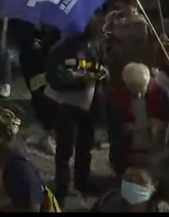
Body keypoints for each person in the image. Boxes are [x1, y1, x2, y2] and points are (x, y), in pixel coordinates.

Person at [46, 16, 106, 202]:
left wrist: (102, 73)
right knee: (64, 148)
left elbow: (101, 64)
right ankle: (62, 186)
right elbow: (53, 78)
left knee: (85, 145)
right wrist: (78, 80)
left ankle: (82, 180)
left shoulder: (95, 45)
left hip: (90, 103)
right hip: (67, 106)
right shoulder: (60, 49)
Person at [91, 167, 169, 212]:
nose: (132, 186)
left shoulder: (161, 209)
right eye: (128, 181)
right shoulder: (110, 203)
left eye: (139, 182)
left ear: (152, 187)